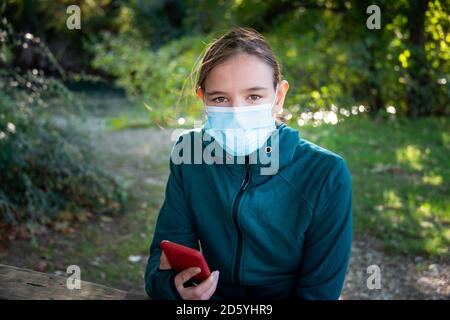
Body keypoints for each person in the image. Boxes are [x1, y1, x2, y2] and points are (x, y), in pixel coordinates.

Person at [145, 27, 352, 300]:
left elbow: (319, 293)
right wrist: (175, 290)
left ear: (279, 97)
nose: (237, 113)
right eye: (220, 98)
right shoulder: (189, 155)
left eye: (254, 96)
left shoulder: (325, 174)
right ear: (202, 100)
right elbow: (160, 267)